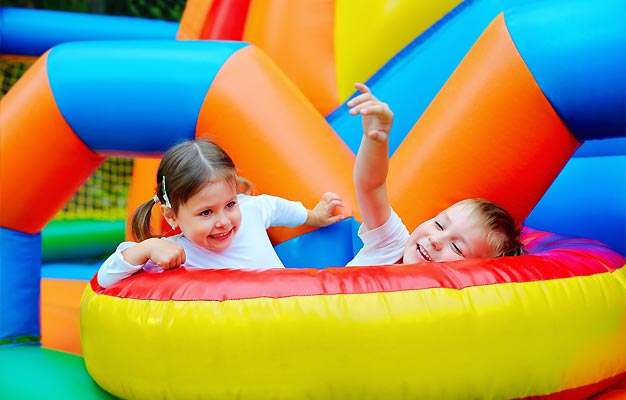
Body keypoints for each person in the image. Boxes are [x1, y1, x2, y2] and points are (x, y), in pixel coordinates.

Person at [97, 139, 344, 288]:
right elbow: (105, 279)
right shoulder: (174, 253)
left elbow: (274, 207)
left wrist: (313, 216)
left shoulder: (249, 211)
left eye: (230, 204)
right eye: (206, 213)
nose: (224, 222)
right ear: (172, 216)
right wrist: (147, 248)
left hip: (290, 308)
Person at [345, 83, 523, 266]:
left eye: (456, 247)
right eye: (439, 225)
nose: (436, 240)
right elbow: (372, 186)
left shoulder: (448, 294)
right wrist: (375, 139)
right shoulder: (391, 244)